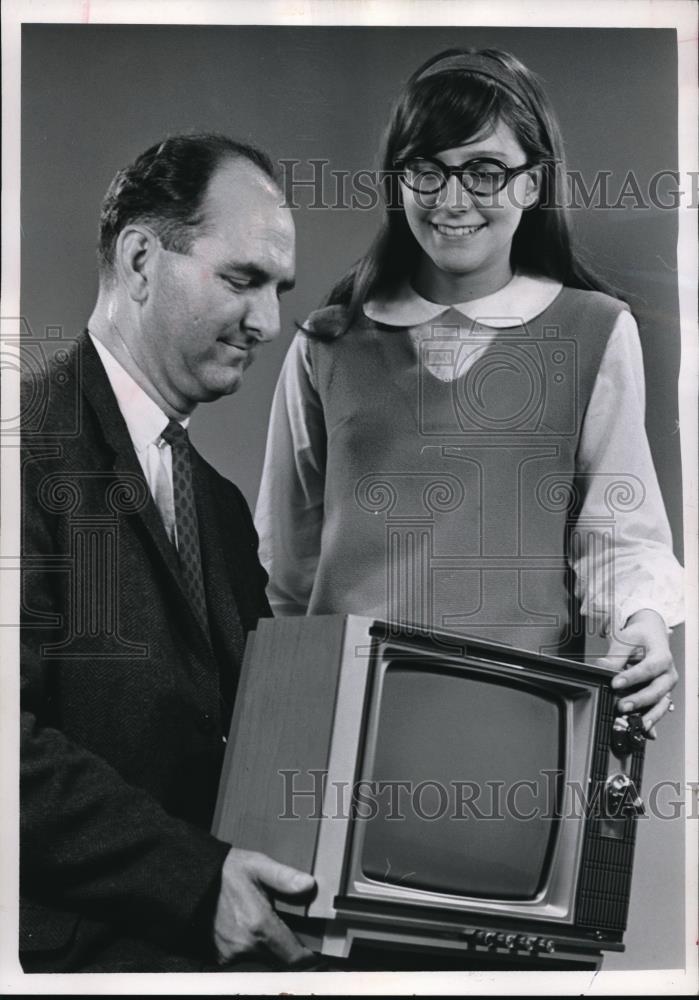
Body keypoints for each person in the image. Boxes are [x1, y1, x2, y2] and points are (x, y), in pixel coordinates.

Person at [256, 49, 683, 736]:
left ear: (531, 182)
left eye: (484, 171)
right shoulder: (326, 343)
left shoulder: (594, 332)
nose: (451, 200)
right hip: (342, 720)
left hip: (514, 723)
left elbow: (621, 533)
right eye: (426, 170)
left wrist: (642, 623)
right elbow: (286, 568)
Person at [20, 133, 318, 973]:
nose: (267, 322)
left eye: (277, 290)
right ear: (143, 258)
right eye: (242, 279)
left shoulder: (219, 510)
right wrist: (195, 884)